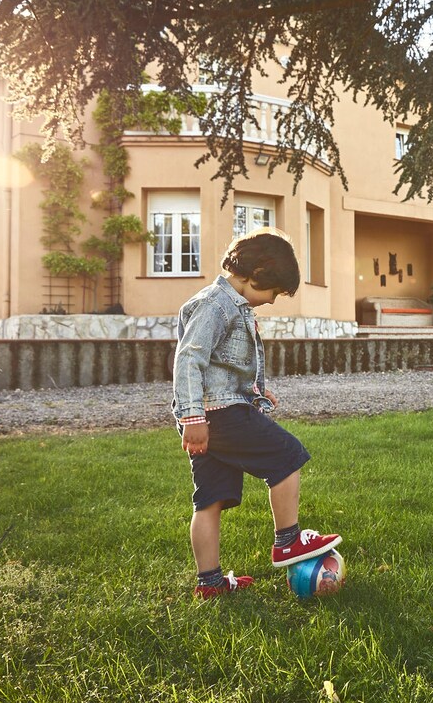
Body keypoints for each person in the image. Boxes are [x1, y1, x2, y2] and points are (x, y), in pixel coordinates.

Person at [171, 227, 341, 599]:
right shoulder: (215, 304)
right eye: (275, 292)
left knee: (210, 499)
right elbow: (189, 359)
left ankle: (210, 583)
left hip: (217, 411)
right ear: (257, 275)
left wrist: (256, 392)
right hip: (217, 414)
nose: (274, 300)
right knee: (287, 455)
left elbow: (223, 366)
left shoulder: (232, 304)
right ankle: (287, 541)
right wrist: (193, 417)